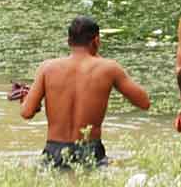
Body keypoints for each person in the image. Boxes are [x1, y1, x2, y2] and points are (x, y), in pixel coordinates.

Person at [20, 16, 151, 170]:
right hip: (91, 151)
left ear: (69, 41)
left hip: (53, 151)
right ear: (96, 41)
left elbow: (26, 112)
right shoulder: (108, 68)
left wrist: (32, 101)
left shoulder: (47, 68)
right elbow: (144, 102)